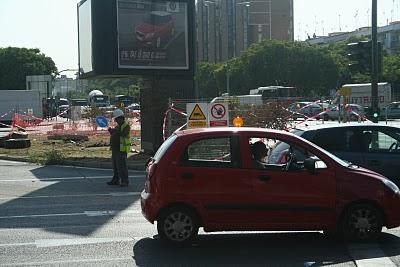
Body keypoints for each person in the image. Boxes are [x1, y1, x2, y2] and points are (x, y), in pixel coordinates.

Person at [107, 109, 131, 187]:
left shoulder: (126, 126)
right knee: (115, 166)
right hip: (115, 149)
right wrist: (112, 131)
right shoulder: (118, 126)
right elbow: (116, 134)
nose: (116, 121)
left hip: (121, 149)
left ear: (121, 118)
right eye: (116, 119)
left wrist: (114, 131)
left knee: (122, 166)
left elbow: (124, 134)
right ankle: (115, 179)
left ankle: (125, 181)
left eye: (117, 119)